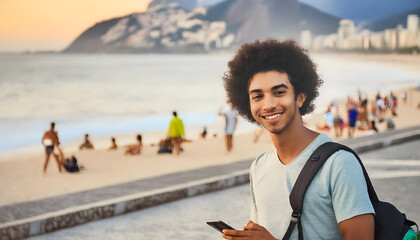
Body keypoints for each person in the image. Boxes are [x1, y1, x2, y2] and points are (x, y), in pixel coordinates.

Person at [221, 39, 374, 239]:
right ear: (247, 104)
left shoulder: (339, 163)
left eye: (279, 92)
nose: (268, 104)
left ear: (300, 97)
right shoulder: (258, 167)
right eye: (257, 97)